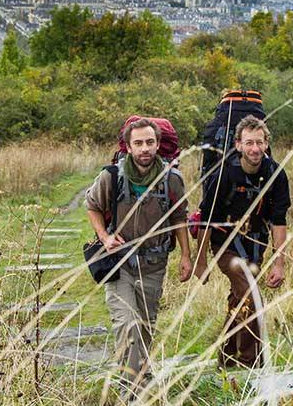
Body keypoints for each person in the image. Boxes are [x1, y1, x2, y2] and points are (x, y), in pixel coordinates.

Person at [85, 118, 193, 394]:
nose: (144, 148)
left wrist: (185, 256)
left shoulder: (172, 179)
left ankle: (140, 375)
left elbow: (180, 217)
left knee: (145, 326)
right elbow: (92, 206)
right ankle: (130, 389)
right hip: (119, 264)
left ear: (157, 144)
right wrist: (105, 237)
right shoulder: (111, 176)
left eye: (149, 142)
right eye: (138, 143)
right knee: (127, 324)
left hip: (154, 265)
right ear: (129, 147)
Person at [194, 115, 291, 369]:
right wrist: (200, 261)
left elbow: (279, 220)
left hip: (255, 245)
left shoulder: (276, 174)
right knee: (252, 296)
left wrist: (279, 263)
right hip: (224, 245)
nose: (255, 149)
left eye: (259, 143)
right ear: (238, 144)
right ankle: (251, 366)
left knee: (241, 300)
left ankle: (226, 358)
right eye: (249, 143)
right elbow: (205, 219)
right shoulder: (225, 173)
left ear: (266, 143)